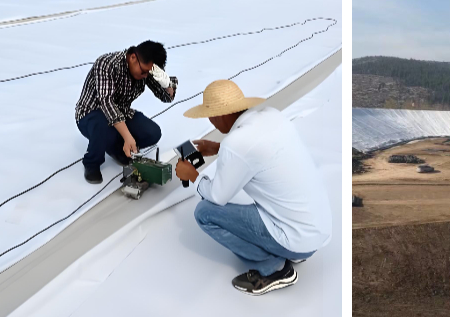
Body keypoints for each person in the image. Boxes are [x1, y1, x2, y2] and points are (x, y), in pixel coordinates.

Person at [175, 79, 331, 296]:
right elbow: (258, 151)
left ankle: (273, 269)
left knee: (204, 213)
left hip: (296, 240)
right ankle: (290, 251)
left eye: (210, 116)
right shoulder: (272, 116)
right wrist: (219, 148)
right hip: (317, 231)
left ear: (219, 115)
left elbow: (217, 196)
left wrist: (192, 175)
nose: (211, 123)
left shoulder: (236, 143)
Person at [75, 41, 176, 183]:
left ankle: (117, 149)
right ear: (133, 57)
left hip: (121, 113)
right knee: (103, 127)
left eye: (149, 73)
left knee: (153, 132)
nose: (146, 76)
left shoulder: (145, 69)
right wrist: (128, 137)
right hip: (91, 114)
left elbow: (166, 97)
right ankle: (92, 162)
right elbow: (107, 103)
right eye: (144, 72)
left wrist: (167, 84)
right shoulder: (107, 64)